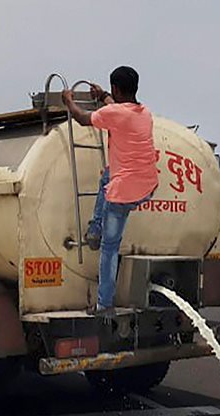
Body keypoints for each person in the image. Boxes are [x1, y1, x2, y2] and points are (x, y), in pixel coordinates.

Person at [62, 65, 159, 315]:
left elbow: (83, 118)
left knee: (110, 248)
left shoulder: (115, 113)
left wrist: (69, 102)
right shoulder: (145, 112)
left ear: (116, 89)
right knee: (107, 176)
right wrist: (104, 94)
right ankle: (95, 226)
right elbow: (116, 106)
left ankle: (104, 304)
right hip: (147, 185)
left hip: (124, 192)